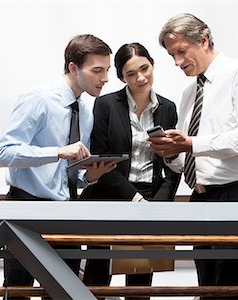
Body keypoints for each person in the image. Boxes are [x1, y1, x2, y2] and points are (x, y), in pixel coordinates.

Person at [149, 13, 238, 300]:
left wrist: (191, 143)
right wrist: (169, 152)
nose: (177, 62)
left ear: (203, 41)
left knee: (235, 292)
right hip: (202, 198)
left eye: (181, 52)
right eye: (171, 55)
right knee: (208, 290)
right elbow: (190, 155)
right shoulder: (190, 92)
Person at [0, 34, 117, 300]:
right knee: (18, 294)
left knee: (64, 292)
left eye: (107, 71)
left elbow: (67, 173)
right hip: (24, 209)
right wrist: (57, 152)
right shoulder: (38, 99)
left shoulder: (84, 110)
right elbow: (2, 153)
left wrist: (89, 175)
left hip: (65, 212)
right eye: (97, 70)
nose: (105, 78)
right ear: (73, 68)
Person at [79, 42, 181, 300]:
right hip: (111, 195)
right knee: (97, 274)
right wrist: (136, 199)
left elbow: (173, 164)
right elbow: (101, 160)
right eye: (131, 74)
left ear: (153, 65)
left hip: (151, 196)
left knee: (140, 276)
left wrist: (158, 204)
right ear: (121, 77)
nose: (141, 78)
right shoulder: (106, 105)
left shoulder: (167, 108)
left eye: (144, 69)